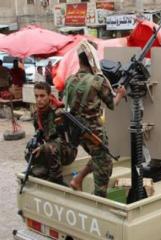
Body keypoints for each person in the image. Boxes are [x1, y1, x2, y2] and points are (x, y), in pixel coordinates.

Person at [64, 41, 126, 198]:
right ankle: (99, 201)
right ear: (93, 58)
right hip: (94, 134)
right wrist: (120, 94)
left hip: (77, 133)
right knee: (105, 166)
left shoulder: (70, 80)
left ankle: (77, 179)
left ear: (79, 59)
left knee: (98, 157)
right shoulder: (98, 81)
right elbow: (112, 105)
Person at [31, 82, 77, 185]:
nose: (39, 99)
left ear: (49, 96)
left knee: (48, 147)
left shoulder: (58, 113)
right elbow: (40, 135)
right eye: (36, 96)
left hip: (67, 150)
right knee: (30, 149)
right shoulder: (36, 115)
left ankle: (56, 179)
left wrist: (44, 147)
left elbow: (64, 139)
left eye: (42, 96)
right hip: (51, 149)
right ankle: (44, 168)